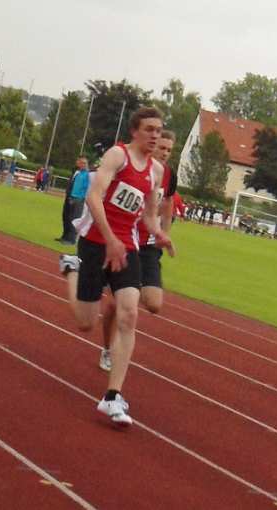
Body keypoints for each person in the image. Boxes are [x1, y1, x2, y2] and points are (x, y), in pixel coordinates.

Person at [58, 107, 173, 427]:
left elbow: (148, 214)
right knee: (85, 322)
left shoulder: (156, 171)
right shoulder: (117, 156)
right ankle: (71, 270)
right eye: (149, 129)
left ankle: (113, 396)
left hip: (128, 248)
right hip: (96, 243)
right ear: (135, 131)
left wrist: (159, 233)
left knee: (129, 314)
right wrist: (109, 238)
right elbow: (94, 197)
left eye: (159, 130)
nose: (155, 135)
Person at [97, 130, 178, 372]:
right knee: (116, 305)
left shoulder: (167, 174)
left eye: (169, 150)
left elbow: (167, 204)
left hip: (149, 246)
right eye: (161, 147)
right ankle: (108, 348)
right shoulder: (134, 166)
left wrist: (164, 234)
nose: (164, 153)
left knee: (154, 304)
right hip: (127, 241)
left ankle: (129, 291)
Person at [57, 158, 91, 244]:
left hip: (78, 199)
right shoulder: (77, 173)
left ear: (85, 164)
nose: (79, 164)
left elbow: (87, 187)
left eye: (81, 163)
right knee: (67, 217)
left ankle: (71, 239)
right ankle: (65, 236)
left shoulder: (87, 175)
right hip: (71, 196)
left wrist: (81, 197)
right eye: (79, 163)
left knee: (74, 218)